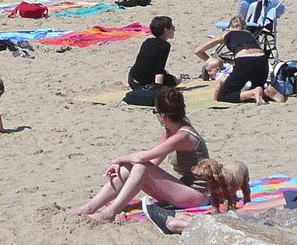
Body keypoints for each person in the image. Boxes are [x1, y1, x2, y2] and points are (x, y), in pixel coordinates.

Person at [68, 87, 212, 222]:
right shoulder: (169, 131)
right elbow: (154, 162)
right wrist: (124, 165)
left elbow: (144, 157)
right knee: (132, 168)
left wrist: (117, 160)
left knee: (139, 166)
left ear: (162, 115)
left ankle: (110, 213)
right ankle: (89, 208)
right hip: (182, 188)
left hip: (197, 195)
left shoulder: (183, 135)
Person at [214, 30, 284, 104]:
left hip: (244, 60)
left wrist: (215, 62)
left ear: (229, 27)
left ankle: (254, 93)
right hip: (262, 59)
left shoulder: (225, 34)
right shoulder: (248, 33)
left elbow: (200, 50)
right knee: (257, 88)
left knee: (224, 96)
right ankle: (266, 91)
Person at [125, 16, 179, 106]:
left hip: (133, 79)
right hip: (146, 82)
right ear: (166, 30)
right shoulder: (165, 46)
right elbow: (159, 69)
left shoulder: (148, 41)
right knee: (178, 79)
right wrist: (158, 88)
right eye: (172, 27)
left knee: (165, 73)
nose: (174, 29)